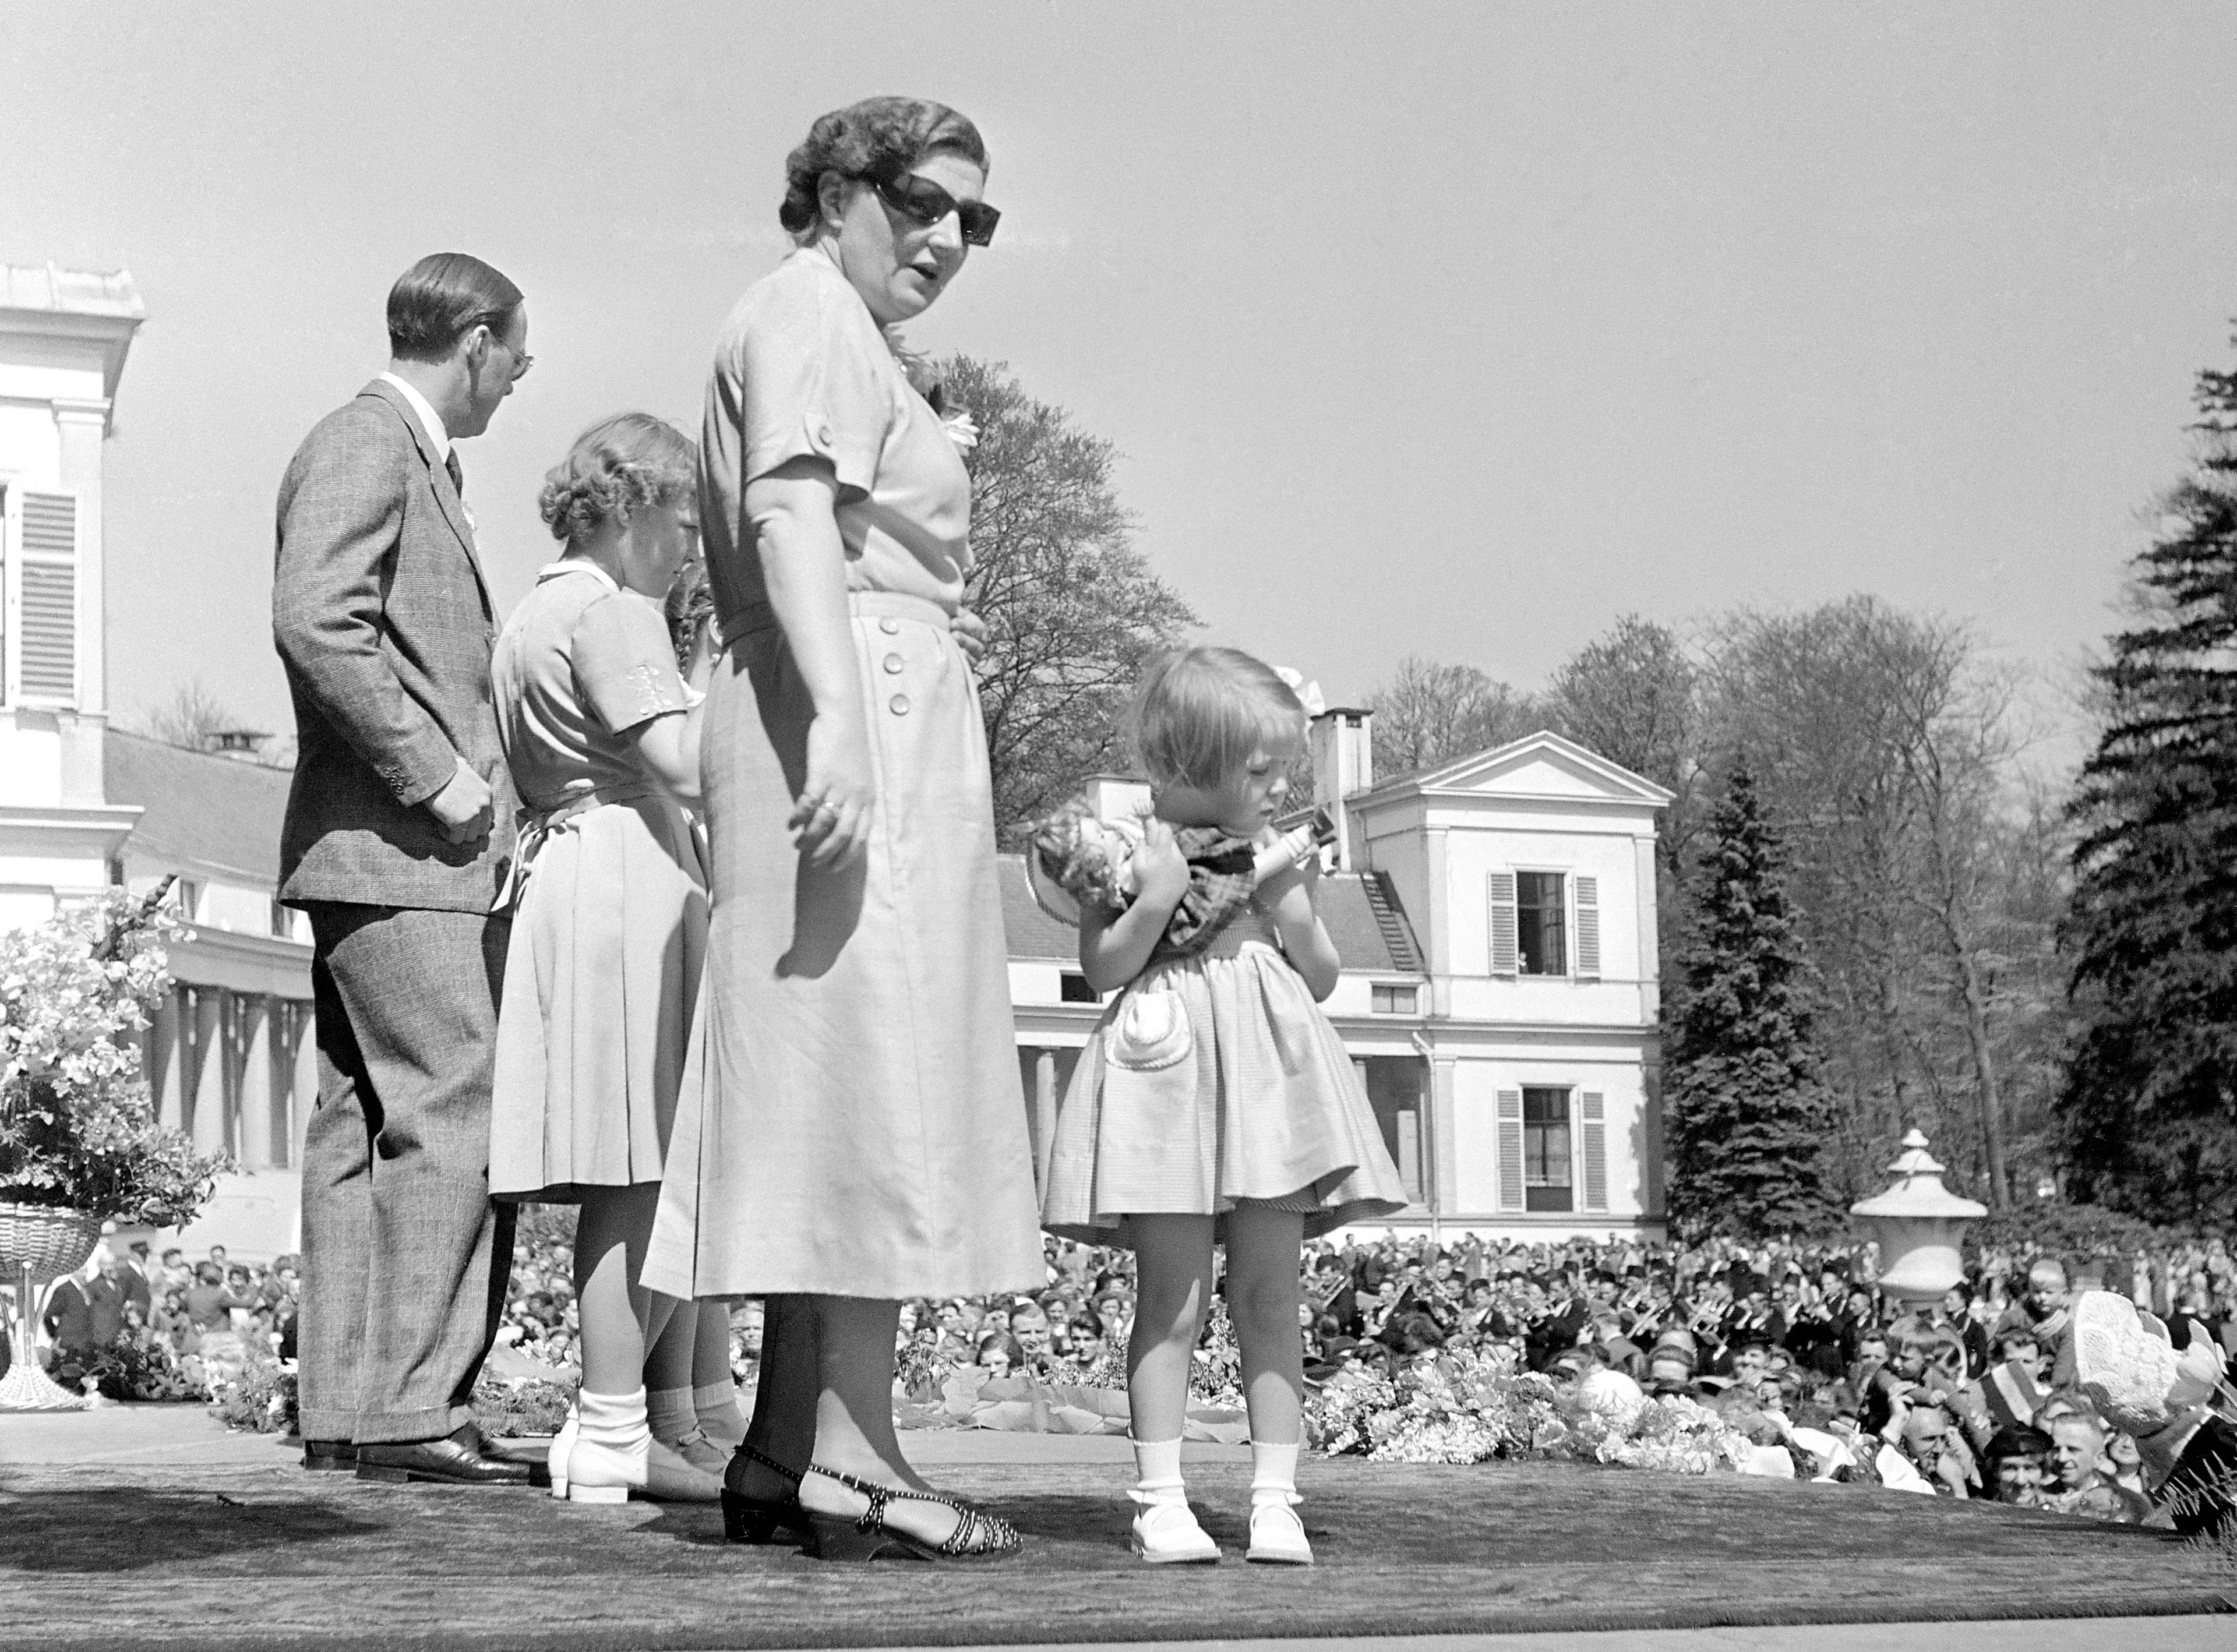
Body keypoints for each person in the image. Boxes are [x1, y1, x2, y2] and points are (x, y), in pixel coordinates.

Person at [641, 96, 1042, 1562]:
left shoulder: (825, 322)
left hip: (841, 691)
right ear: (830, 187)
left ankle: (785, 1439)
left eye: (973, 218)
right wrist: (845, 722)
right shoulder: (807, 306)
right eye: (918, 200)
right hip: (846, 696)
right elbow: (792, 513)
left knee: (825, 1074)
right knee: (867, 1072)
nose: (945, 238)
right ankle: (860, 1458)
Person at [1040, 645, 1409, 1565]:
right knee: (1172, 1297)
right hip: (1164, 1074)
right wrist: (1156, 897)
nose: (1279, 783)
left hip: (1266, 1074)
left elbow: (1319, 979)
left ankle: (1274, 1497)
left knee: (1270, 1294)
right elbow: (1104, 969)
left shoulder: (1274, 856)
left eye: (1282, 765)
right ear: (1193, 763)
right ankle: (1159, 1499)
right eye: (1260, 769)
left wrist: (1297, 916)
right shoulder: (1126, 846)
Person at [273, 252, 534, 1487]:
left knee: (362, 1120)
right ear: (474, 340)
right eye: (517, 353)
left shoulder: (396, 451)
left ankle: (353, 1407)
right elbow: (317, 614)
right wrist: (437, 775)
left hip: (365, 854)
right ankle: (413, 1408)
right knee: (452, 1103)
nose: (520, 377)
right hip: (404, 848)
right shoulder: (371, 441)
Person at [488, 413, 719, 1506]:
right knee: (654, 1171)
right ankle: (615, 1424)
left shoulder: (538, 607)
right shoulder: (615, 612)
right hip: (630, 875)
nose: (685, 552)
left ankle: (619, 1425)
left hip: (570, 874)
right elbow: (681, 761)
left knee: (638, 1165)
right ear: (628, 510)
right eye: (680, 524)